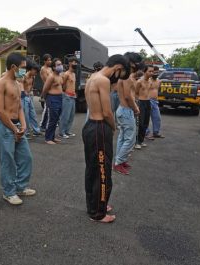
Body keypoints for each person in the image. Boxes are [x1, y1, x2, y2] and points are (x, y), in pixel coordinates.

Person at [83, 54, 130, 223]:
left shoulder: (92, 77)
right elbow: (107, 112)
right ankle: (98, 213)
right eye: (121, 73)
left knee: (92, 170)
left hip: (89, 126)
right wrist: (114, 126)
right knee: (103, 173)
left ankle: (94, 206)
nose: (118, 78)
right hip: (99, 128)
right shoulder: (103, 80)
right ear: (118, 68)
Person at [0, 52, 35, 205]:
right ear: (13, 67)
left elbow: (19, 108)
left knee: (26, 158)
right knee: (8, 161)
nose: (25, 71)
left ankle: (21, 186)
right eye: (23, 68)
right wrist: (13, 128)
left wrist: (23, 126)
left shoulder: (19, 83)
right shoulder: (2, 83)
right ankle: (9, 192)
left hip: (17, 126)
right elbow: (0, 110)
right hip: (5, 127)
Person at [113, 52, 143, 175]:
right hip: (126, 110)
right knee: (130, 139)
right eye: (136, 62)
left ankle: (120, 161)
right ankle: (118, 162)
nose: (137, 65)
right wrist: (136, 108)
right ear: (131, 62)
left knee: (123, 137)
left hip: (123, 110)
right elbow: (128, 96)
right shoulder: (127, 77)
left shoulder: (124, 76)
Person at [41, 58, 64, 145]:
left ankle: (52, 137)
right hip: (52, 98)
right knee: (51, 119)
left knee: (56, 119)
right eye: (58, 65)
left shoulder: (60, 76)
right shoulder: (51, 76)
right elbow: (45, 89)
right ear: (54, 67)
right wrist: (46, 99)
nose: (60, 66)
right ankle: (48, 138)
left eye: (61, 64)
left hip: (59, 98)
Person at [135, 65, 154, 149]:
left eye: (152, 71)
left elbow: (148, 92)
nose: (151, 73)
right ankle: (137, 142)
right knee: (141, 123)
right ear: (145, 71)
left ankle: (141, 141)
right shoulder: (139, 81)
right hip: (140, 102)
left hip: (148, 102)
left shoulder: (150, 81)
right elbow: (135, 93)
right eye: (150, 71)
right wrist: (136, 104)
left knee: (146, 123)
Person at [22, 60, 42, 139]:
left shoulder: (33, 77)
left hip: (30, 97)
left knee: (33, 114)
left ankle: (36, 131)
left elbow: (31, 86)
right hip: (24, 97)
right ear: (31, 69)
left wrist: (30, 93)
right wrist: (25, 93)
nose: (36, 73)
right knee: (25, 115)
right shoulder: (24, 77)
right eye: (35, 71)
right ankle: (25, 132)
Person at [59, 57, 78, 138]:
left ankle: (67, 131)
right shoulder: (66, 74)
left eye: (76, 62)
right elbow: (62, 85)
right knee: (65, 115)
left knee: (71, 115)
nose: (76, 64)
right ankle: (62, 132)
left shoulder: (73, 74)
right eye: (74, 62)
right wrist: (65, 93)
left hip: (73, 97)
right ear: (70, 63)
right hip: (67, 96)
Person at [146, 66, 165, 139]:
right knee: (146, 118)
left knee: (157, 117)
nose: (156, 73)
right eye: (154, 72)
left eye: (157, 72)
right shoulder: (148, 81)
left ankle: (156, 132)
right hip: (148, 100)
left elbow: (157, 90)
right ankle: (146, 133)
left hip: (155, 101)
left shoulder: (159, 81)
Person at [39, 54, 53, 131]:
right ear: (44, 61)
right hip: (47, 90)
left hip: (52, 90)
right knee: (46, 108)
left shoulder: (50, 69)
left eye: (50, 60)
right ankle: (42, 125)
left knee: (50, 108)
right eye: (48, 60)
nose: (50, 61)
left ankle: (46, 124)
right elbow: (46, 80)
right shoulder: (43, 69)